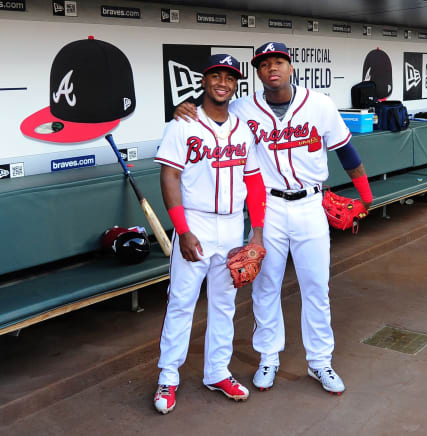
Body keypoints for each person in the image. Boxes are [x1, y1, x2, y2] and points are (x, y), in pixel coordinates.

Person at [174, 42, 373, 395]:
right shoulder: (241, 108)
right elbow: (211, 108)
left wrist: (367, 196)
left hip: (311, 203)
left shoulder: (320, 104)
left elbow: (346, 150)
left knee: (316, 286)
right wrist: (183, 106)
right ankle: (268, 356)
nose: (272, 68)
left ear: (290, 67)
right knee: (266, 286)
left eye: (278, 61)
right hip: (268, 209)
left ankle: (320, 362)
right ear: (258, 72)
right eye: (264, 64)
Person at [153, 54, 266, 414]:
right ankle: (168, 377)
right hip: (196, 222)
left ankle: (217, 371)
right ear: (204, 81)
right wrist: (182, 231)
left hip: (233, 224)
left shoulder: (243, 129)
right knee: (182, 302)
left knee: (225, 304)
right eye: (216, 75)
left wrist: (257, 232)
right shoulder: (182, 124)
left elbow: (254, 180)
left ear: (236, 85)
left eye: (230, 77)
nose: (223, 82)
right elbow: (169, 177)